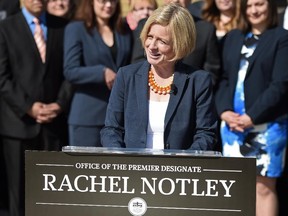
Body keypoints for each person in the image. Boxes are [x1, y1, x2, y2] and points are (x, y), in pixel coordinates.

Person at [101, 3, 218, 151]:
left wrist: (187, 161)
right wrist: (121, 157)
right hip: (132, 169)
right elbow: (111, 129)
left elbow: (206, 133)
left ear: (179, 45)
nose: (152, 46)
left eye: (162, 41)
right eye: (150, 37)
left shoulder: (199, 81)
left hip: (178, 170)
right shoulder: (126, 76)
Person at [215, 0, 288, 215]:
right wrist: (224, 111)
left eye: (260, 4)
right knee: (235, 189)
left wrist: (252, 116)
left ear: (271, 7)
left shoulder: (282, 38)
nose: (254, 10)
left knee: (263, 189)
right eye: (249, 6)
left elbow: (281, 84)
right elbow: (223, 78)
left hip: (267, 126)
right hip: (232, 127)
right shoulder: (233, 37)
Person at [0, 0, 72, 215]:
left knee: (52, 194)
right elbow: (2, 77)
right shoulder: (5, 28)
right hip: (18, 125)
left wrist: (60, 103)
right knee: (19, 194)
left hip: (54, 124)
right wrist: (29, 107)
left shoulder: (63, 26)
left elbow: (71, 70)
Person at [64, 0, 132, 147]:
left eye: (113, 1)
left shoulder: (123, 29)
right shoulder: (76, 29)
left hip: (119, 117)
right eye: (102, 1)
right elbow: (70, 70)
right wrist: (101, 72)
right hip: (87, 118)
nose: (109, 5)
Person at [131, 0, 221, 87]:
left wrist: (194, 91)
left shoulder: (205, 29)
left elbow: (212, 69)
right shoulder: (147, 24)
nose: (175, 0)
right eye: (151, 37)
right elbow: (138, 61)